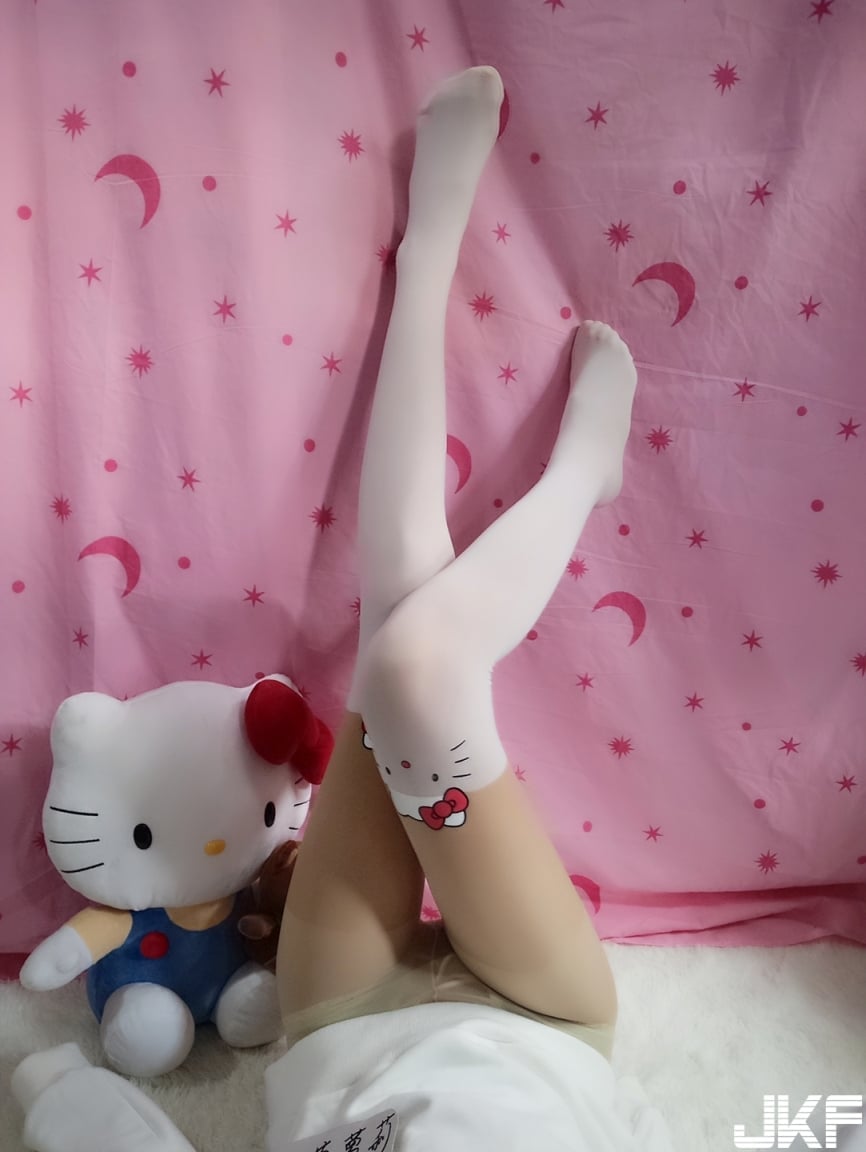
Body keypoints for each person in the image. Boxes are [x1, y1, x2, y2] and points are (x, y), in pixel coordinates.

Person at [270, 66, 673, 1151]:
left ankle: (427, 264)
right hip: (540, 1027)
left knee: (395, 620)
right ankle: (574, 475)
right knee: (412, 664)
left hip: (336, 1030)